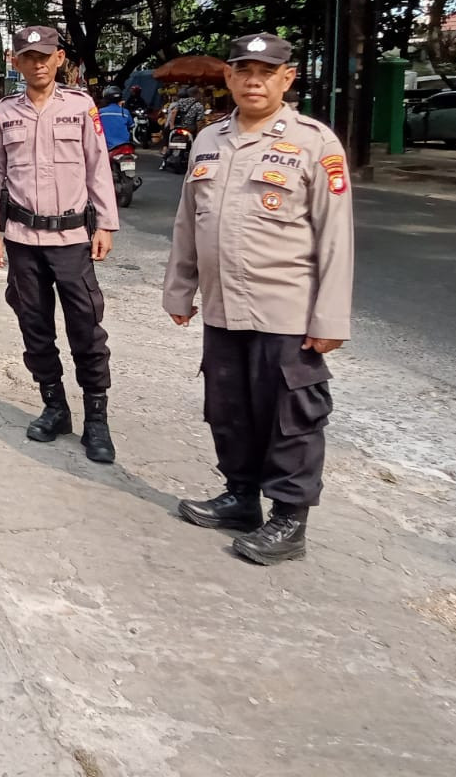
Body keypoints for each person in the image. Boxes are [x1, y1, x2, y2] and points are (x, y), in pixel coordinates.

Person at [163, 33, 354, 565]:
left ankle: (289, 521)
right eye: (243, 70)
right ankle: (241, 497)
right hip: (223, 306)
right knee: (229, 408)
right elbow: (187, 225)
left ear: (286, 79)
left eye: (266, 72)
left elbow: (336, 234)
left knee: (289, 415)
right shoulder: (206, 141)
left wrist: (331, 315)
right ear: (228, 76)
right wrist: (179, 288)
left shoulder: (316, 143)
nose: (253, 80)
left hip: (287, 308)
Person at [0, 26, 121, 463]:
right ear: (15, 62)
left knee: (86, 328)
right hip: (21, 239)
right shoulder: (5, 111)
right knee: (34, 327)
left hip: (73, 239)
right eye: (28, 56)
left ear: (59, 60)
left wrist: (106, 224)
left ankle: (97, 419)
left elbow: (98, 167)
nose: (37, 63)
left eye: (45, 55)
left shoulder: (80, 107)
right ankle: (55, 406)